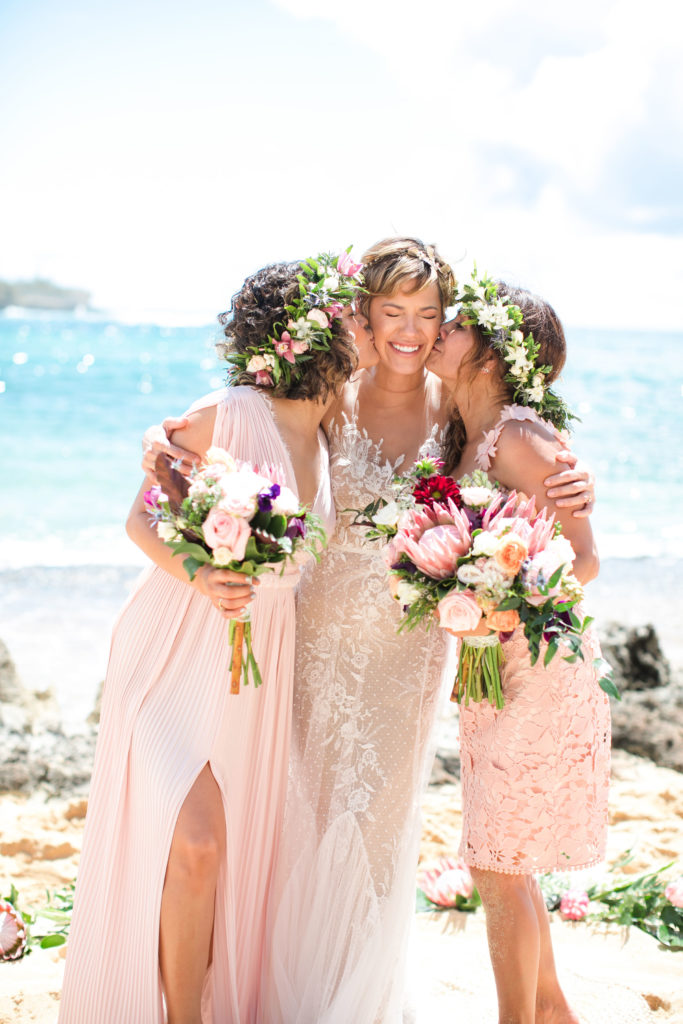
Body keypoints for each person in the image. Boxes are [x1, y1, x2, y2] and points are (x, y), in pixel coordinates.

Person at [144, 238, 596, 1023]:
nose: (411, 331)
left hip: (404, 653)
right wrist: (163, 440)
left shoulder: (455, 409)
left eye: (429, 315)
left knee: (376, 828)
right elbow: (243, 426)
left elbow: (525, 459)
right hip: (307, 640)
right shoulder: (332, 390)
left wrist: (575, 480)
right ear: (362, 315)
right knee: (288, 817)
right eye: (392, 311)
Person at [58, 255, 372, 1024]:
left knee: (219, 858)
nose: (367, 329)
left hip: (255, 666)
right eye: (356, 317)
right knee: (193, 840)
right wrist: (201, 575)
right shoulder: (226, 413)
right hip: (175, 644)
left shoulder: (331, 440)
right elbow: (140, 519)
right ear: (314, 333)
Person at [426, 276, 610, 1024]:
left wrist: (498, 598)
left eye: (457, 323)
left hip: (536, 666)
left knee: (498, 865)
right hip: (491, 664)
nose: (438, 328)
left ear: (496, 348)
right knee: (501, 861)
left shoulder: (521, 436)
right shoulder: (461, 431)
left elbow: (584, 560)